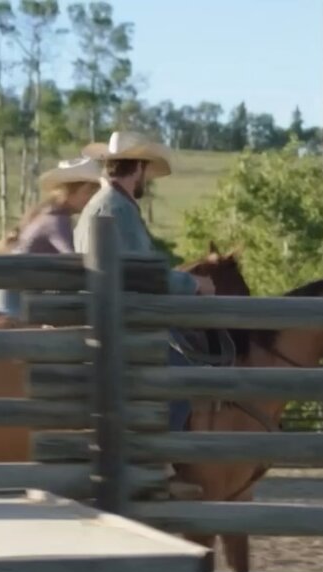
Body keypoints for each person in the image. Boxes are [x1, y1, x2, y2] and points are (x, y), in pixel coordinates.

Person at [75, 130, 215, 440]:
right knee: (182, 379)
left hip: (111, 315)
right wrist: (193, 284)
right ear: (137, 168)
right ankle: (156, 460)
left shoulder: (105, 204)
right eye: (146, 172)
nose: (147, 180)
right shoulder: (117, 208)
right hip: (121, 322)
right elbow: (141, 272)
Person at [0, 156, 103, 316]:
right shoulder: (57, 221)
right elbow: (74, 261)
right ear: (72, 191)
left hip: (11, 298)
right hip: (17, 305)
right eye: (88, 192)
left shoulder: (46, 215)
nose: (90, 199)